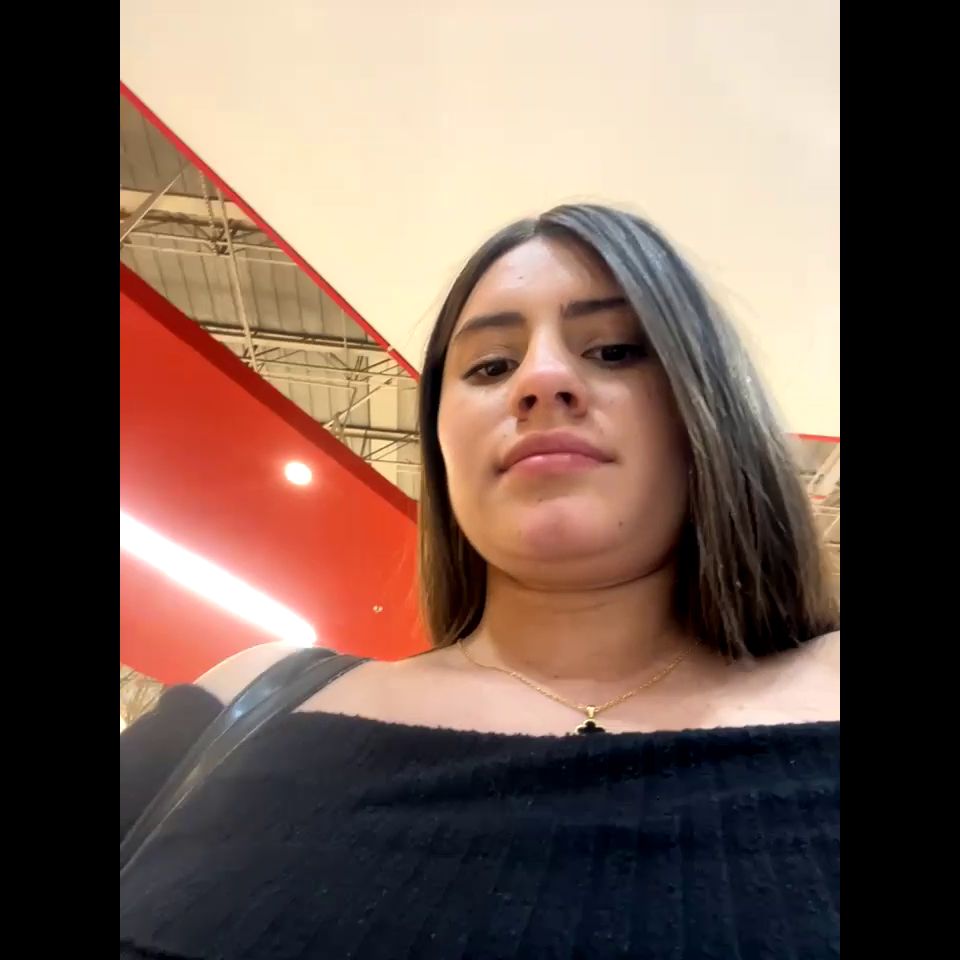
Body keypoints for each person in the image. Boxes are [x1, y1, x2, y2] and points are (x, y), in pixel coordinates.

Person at [120, 204, 839, 960]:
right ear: (440, 440)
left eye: (616, 350)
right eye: (490, 366)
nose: (542, 379)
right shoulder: (247, 704)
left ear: (708, 408)